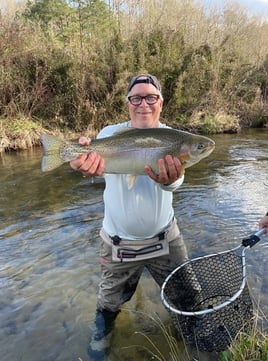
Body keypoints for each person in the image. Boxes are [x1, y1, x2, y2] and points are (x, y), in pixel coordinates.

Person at [70, 74, 194, 360]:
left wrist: (170, 179)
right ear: (127, 103)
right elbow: (99, 168)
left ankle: (190, 335)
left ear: (161, 102)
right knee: (109, 303)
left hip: (166, 239)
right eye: (136, 97)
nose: (143, 104)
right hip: (118, 244)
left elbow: (176, 183)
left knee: (186, 293)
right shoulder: (110, 133)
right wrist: (84, 165)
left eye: (151, 97)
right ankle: (103, 334)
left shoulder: (172, 137)